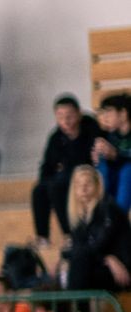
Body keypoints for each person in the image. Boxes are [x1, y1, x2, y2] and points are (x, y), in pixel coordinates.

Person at [32, 95, 100, 245]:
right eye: (60, 117)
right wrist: (44, 181)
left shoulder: (92, 129)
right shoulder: (56, 137)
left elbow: (89, 160)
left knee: (57, 186)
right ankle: (42, 236)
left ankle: (69, 234)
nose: (66, 121)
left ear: (79, 114)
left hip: (87, 173)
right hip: (66, 175)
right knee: (39, 190)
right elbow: (47, 165)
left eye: (69, 116)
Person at [61, 165, 131, 293]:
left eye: (88, 184)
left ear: (98, 185)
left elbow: (98, 244)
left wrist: (67, 255)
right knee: (66, 271)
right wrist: (106, 258)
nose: (83, 189)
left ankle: (74, 306)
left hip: (122, 270)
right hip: (99, 264)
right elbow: (79, 248)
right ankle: (75, 305)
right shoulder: (81, 217)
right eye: (78, 185)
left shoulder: (108, 209)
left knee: (79, 265)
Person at [93, 94, 131, 212]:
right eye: (103, 113)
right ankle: (103, 212)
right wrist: (97, 155)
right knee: (101, 165)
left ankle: (117, 215)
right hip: (115, 175)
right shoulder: (109, 134)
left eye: (108, 112)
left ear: (123, 114)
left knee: (127, 170)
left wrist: (115, 155)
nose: (105, 118)